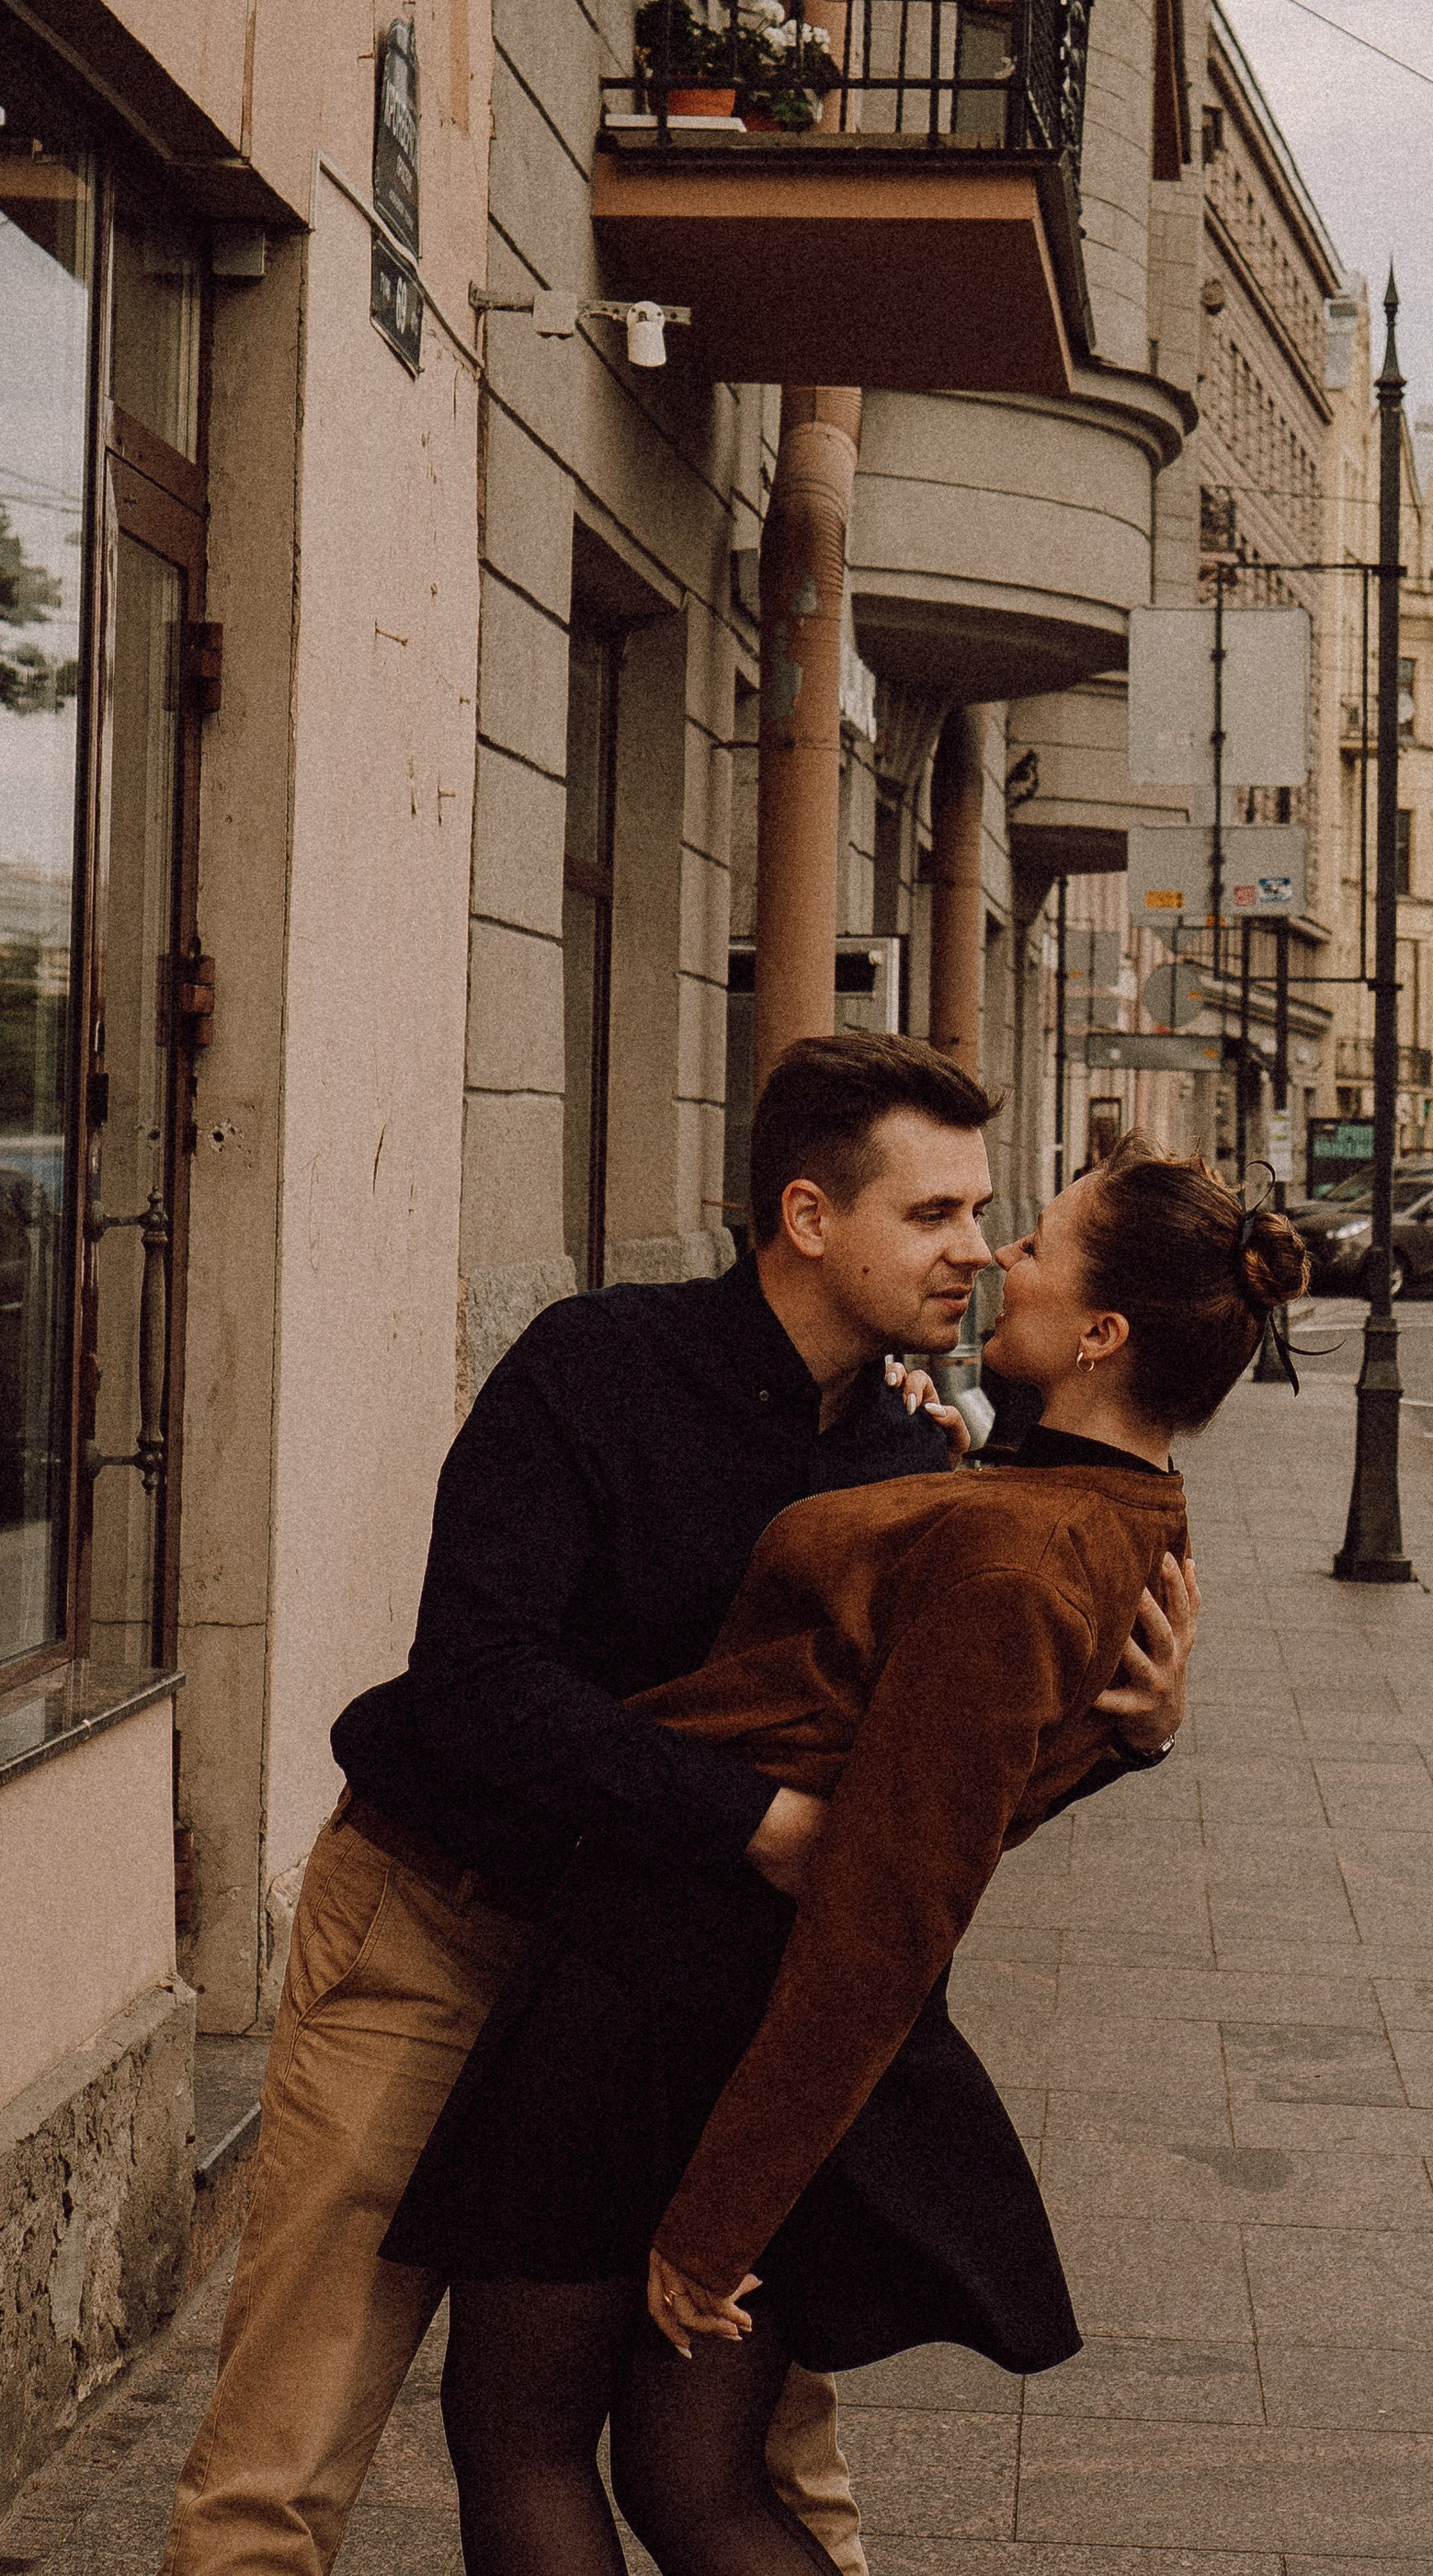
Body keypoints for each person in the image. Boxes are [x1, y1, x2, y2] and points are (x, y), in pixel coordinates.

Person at [162, 1042, 1199, 2576]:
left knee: (762, 2454)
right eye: (934, 1215)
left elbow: (928, 1785)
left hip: (671, 1999)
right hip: (443, 1930)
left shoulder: (918, 1451)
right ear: (806, 1217)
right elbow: (476, 1678)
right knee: (287, 2453)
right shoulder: (597, 1366)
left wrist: (1125, 1733)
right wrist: (757, 1825)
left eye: (989, 1214)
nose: (978, 1250)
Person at [380, 1145, 1305, 2576]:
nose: (1004, 1259)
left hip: (659, 1993)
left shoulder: (1015, 1555)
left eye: (1038, 1245)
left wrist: (716, 2221)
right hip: (711, 1997)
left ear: (1104, 1333)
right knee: (693, 2482)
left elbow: (893, 1909)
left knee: (525, 2441)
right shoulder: (1098, 1517)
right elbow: (950, 1791)